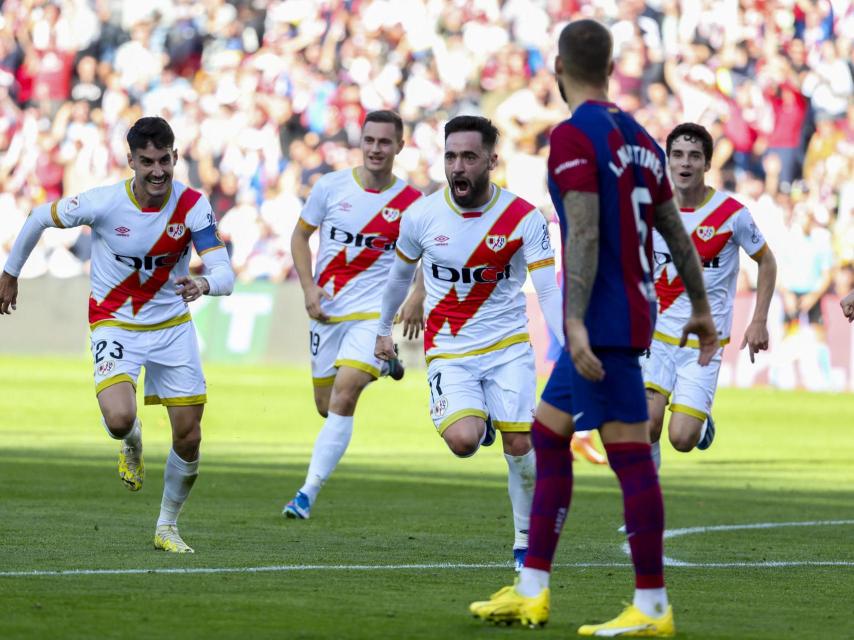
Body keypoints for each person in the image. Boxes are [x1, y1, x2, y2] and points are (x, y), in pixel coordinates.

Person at [469, 20, 717, 636]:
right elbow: (671, 225)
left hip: (602, 323)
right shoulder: (638, 137)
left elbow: (580, 230)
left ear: (559, 69)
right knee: (548, 437)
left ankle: (653, 605)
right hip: (631, 311)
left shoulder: (575, 135)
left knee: (631, 457)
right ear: (609, 67)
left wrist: (572, 323)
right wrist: (702, 305)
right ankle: (532, 589)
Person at [0, 116, 234, 553]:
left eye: (164, 160)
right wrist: (11, 273)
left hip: (171, 328)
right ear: (131, 161)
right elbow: (37, 217)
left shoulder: (193, 206)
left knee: (189, 435)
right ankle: (131, 441)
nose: (157, 171)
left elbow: (224, 272)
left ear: (176, 157)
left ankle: (167, 527)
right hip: (114, 323)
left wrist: (204, 283)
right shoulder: (104, 203)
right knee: (119, 419)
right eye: (147, 162)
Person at [375, 115, 565, 570]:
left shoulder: (523, 218)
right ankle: (481, 421)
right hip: (451, 351)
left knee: (520, 449)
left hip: (508, 348)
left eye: (469, 157)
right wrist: (382, 330)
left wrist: (569, 345)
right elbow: (399, 276)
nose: (458, 167)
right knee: (463, 440)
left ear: (491, 161)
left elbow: (548, 292)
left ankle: (524, 544)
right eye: (451, 156)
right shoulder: (422, 215)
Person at [283, 110, 424, 520]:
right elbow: (300, 235)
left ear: (400, 146)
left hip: (373, 315)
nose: (376, 149)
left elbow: (433, 254)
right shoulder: (331, 186)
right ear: (360, 143)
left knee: (345, 394)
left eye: (385, 142)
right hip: (327, 311)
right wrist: (308, 287)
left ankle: (306, 493)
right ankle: (387, 361)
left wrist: (418, 293)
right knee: (326, 406)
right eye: (370, 140)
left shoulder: (413, 203)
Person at [645, 123, 777, 467]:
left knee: (682, 439)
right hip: (655, 337)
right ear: (667, 161)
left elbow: (767, 261)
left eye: (694, 156)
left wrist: (758, 320)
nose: (685, 163)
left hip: (704, 342)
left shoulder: (732, 215)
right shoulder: (650, 210)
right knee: (645, 425)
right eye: (677, 155)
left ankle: (700, 427)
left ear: (707, 164)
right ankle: (644, 513)